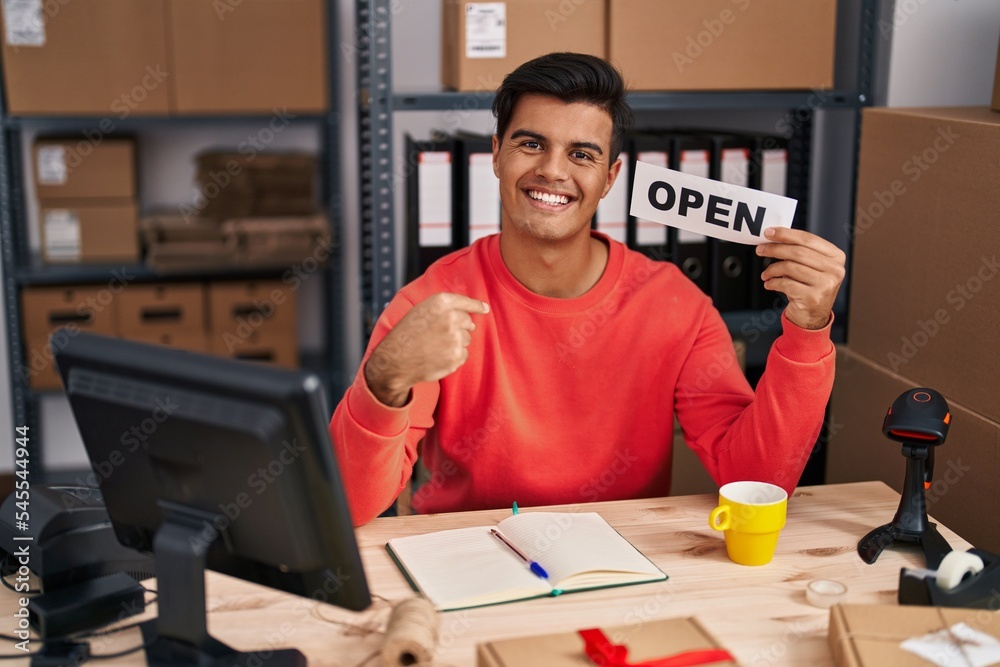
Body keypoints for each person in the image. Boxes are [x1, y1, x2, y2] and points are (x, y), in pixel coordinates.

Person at [330, 52, 845, 526]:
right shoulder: (430, 303)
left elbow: (757, 481)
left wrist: (806, 330)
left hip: (620, 567)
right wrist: (383, 379)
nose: (552, 170)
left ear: (610, 176)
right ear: (495, 154)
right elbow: (353, 507)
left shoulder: (675, 305)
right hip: (468, 565)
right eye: (531, 144)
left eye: (582, 154)